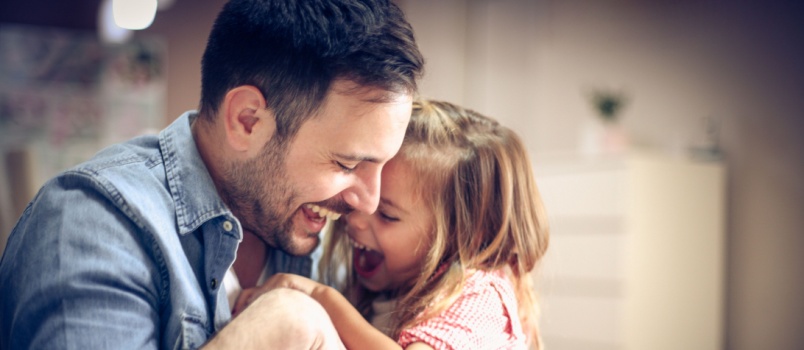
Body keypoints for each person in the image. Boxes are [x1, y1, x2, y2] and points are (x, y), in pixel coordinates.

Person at [0, 0, 423, 348]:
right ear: (247, 120)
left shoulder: (321, 235)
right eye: (347, 164)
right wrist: (284, 325)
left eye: (381, 165)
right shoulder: (91, 226)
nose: (367, 202)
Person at [234, 100, 550, 349]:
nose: (355, 219)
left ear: (461, 237)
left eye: (387, 215)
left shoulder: (480, 296)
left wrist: (321, 297)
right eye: (358, 196)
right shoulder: (385, 289)